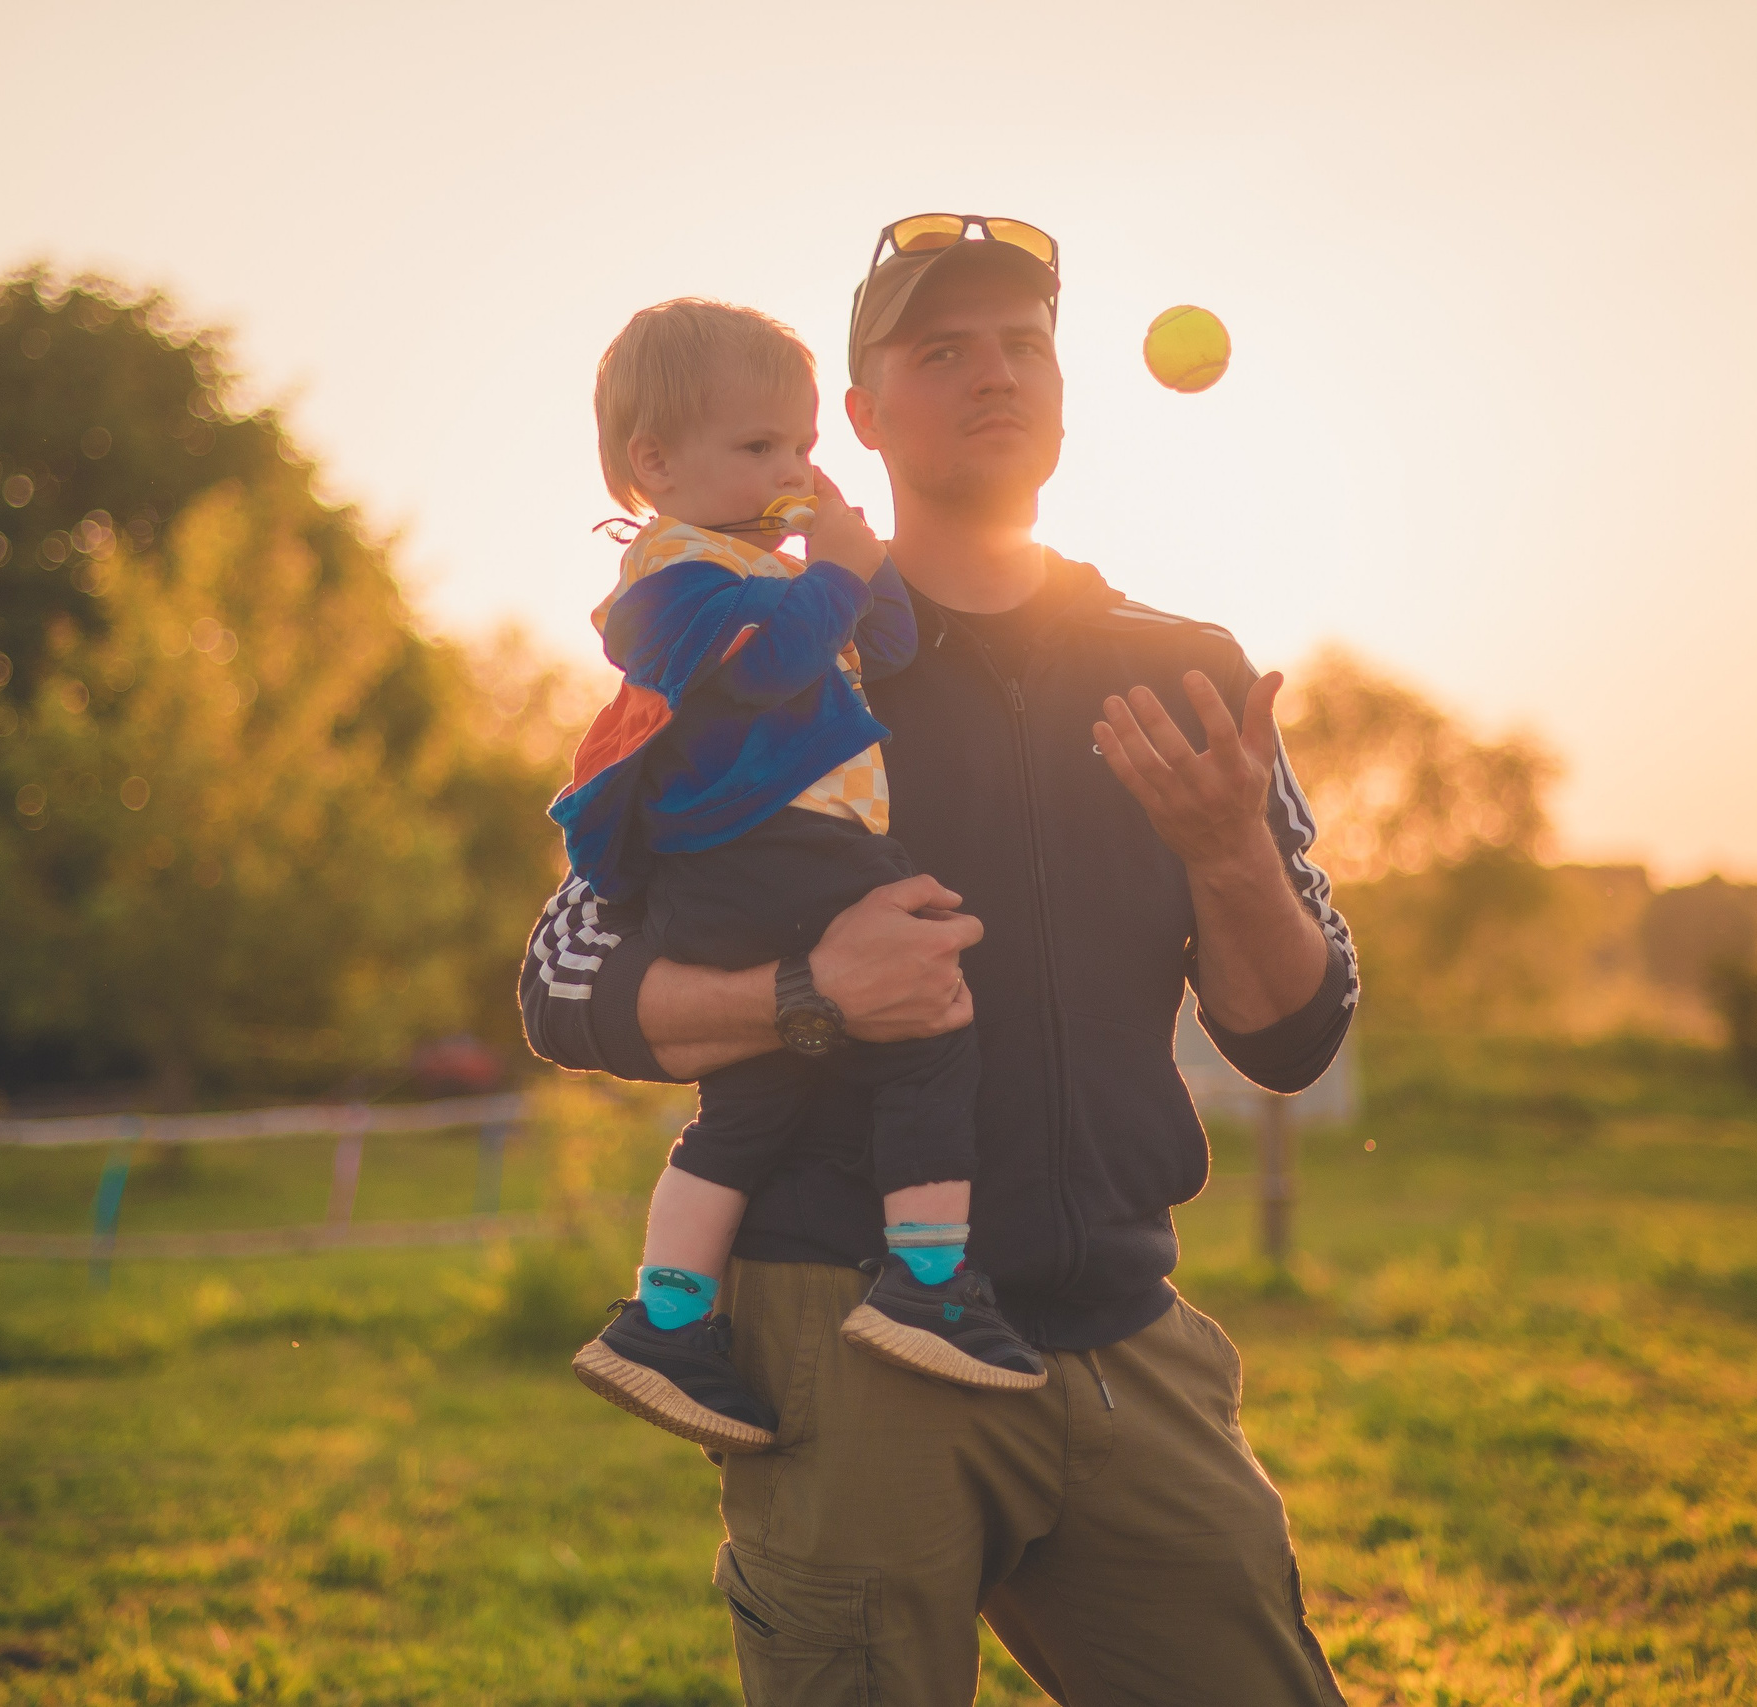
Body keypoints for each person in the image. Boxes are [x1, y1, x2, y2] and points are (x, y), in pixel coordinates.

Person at [521, 214, 1356, 1705]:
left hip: (1122, 1333)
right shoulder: (772, 654)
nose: (993, 372)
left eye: (1022, 342)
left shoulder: (1191, 665)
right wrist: (804, 996)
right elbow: (562, 977)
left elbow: (1291, 1034)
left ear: (1064, 384)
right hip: (849, 1351)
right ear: (858, 416)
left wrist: (1231, 853)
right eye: (939, 348)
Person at [556, 300, 1046, 1459]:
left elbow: (885, 645)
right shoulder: (667, 582)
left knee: (755, 1093)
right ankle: (927, 1280)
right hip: (766, 851)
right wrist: (828, 571)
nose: (793, 467)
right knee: (934, 1013)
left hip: (770, 858)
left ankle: (666, 1319)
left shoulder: (765, 564)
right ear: (656, 463)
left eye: (803, 444)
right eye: (760, 447)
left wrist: (850, 557)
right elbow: (774, 666)